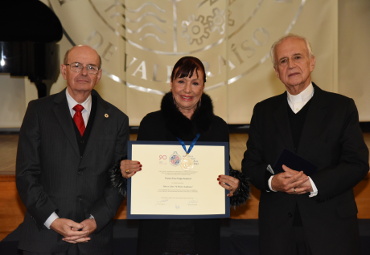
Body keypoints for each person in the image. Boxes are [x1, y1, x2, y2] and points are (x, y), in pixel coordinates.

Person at [241, 34, 369, 255]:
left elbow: (357, 164)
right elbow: (250, 165)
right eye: (283, 61)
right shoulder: (263, 111)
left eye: (297, 57)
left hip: (331, 230)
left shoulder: (341, 107)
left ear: (312, 62)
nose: (290, 65)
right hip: (278, 233)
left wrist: (314, 183)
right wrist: (272, 181)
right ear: (276, 71)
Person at [111, 56, 249, 255]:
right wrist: (124, 172)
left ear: (203, 87)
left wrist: (235, 186)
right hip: (157, 232)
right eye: (181, 81)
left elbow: (223, 174)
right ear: (171, 84)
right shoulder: (151, 123)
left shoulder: (216, 127)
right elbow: (139, 179)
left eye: (195, 82)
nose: (187, 90)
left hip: (202, 233)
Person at [16, 45, 129, 255]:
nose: (84, 72)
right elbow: (26, 174)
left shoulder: (117, 120)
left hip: (93, 239)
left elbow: (118, 179)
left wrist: (96, 220)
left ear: (99, 75)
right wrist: (53, 221)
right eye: (76, 65)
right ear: (64, 70)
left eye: (91, 67)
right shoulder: (38, 112)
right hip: (44, 238)